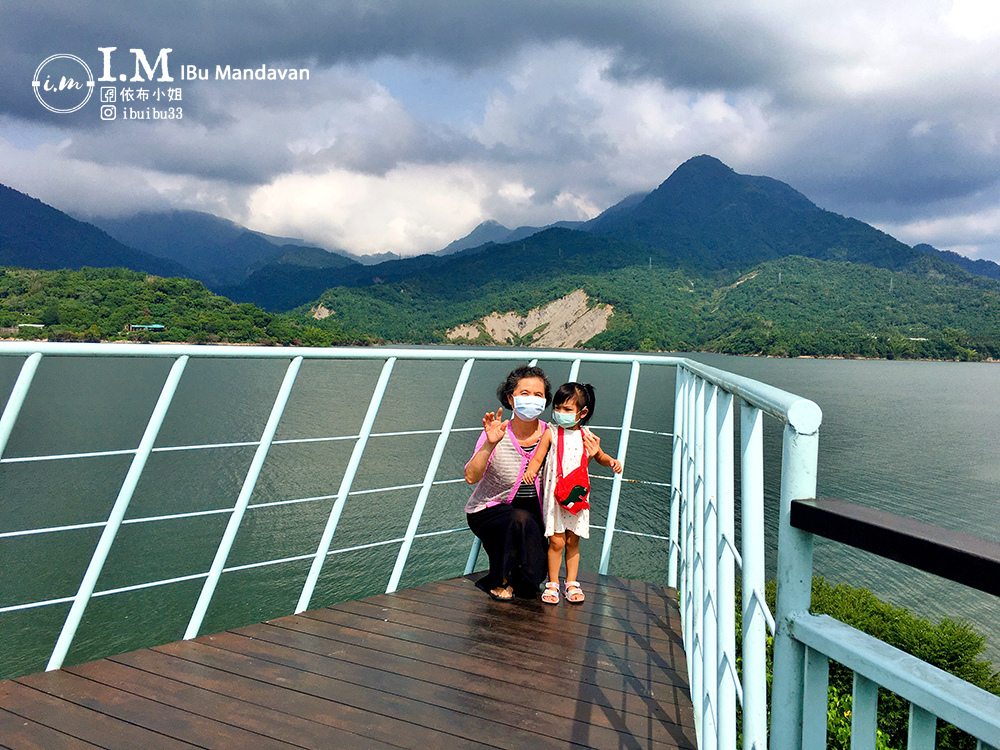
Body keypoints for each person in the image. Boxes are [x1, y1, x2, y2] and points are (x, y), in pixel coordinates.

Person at [522, 382, 622, 604]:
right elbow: (538, 457)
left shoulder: (587, 436)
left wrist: (611, 462)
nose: (560, 414)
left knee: (573, 540)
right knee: (556, 541)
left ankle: (572, 583)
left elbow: (600, 456)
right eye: (557, 408)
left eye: (567, 410)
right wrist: (530, 470)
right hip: (555, 496)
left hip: (576, 496)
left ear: (582, 412)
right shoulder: (551, 433)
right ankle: (553, 583)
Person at [464, 365, 552, 601]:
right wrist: (489, 444)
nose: (532, 399)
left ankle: (519, 577)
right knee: (517, 519)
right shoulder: (496, 432)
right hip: (490, 509)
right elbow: (471, 476)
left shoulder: (551, 434)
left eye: (538, 395)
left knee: (533, 576)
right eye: (524, 393)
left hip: (536, 516)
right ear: (510, 398)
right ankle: (499, 580)